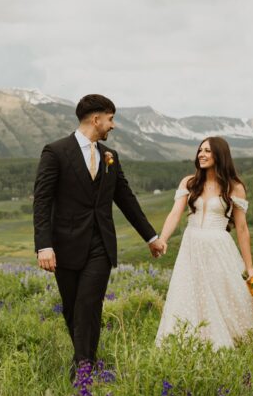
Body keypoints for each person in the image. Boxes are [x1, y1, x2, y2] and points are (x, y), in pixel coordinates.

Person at [33, 94, 166, 379]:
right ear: (96, 119)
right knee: (72, 308)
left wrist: (151, 236)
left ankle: (83, 370)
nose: (113, 125)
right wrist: (44, 245)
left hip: (100, 245)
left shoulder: (110, 157)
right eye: (110, 119)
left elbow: (126, 199)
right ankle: (85, 360)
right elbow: (42, 202)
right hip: (65, 245)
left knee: (88, 305)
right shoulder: (55, 152)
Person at [154, 137, 253, 349]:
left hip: (218, 247)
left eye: (207, 151)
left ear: (219, 155)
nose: (201, 154)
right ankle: (190, 344)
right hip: (191, 246)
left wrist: (249, 267)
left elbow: (241, 228)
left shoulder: (234, 187)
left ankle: (232, 343)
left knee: (223, 295)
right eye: (200, 150)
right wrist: (163, 239)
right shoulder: (189, 182)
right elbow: (175, 214)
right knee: (188, 293)